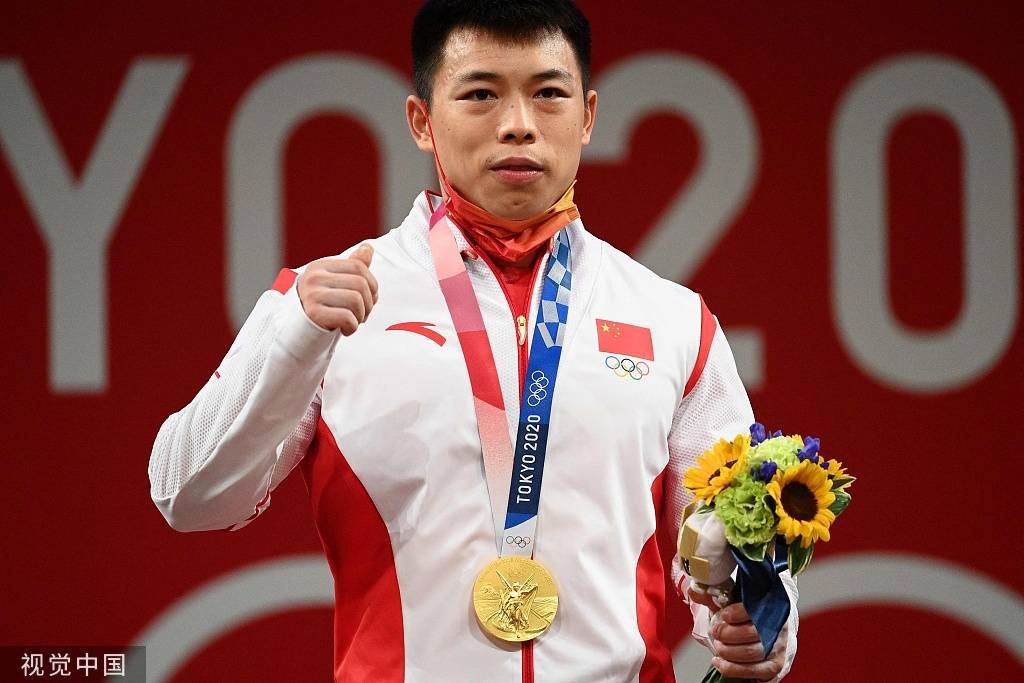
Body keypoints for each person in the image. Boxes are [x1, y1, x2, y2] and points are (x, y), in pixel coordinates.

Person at [148, 1, 800, 680]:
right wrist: (292, 342)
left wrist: (762, 627)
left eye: (548, 94)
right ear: (421, 122)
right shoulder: (325, 303)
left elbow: (731, 541)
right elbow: (185, 495)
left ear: (588, 116)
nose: (518, 123)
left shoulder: (672, 319)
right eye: (481, 94)